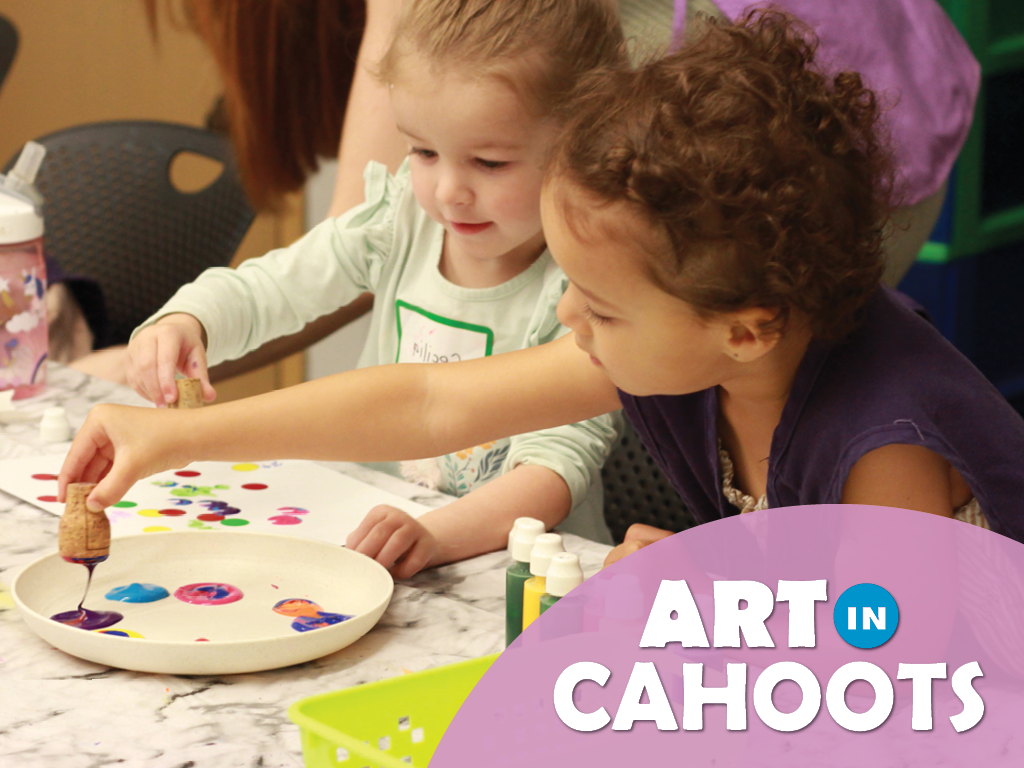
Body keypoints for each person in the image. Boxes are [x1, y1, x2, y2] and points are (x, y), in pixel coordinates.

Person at [59, 11, 1024, 573]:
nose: (567, 314)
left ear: (746, 330)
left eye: (598, 307)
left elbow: (884, 677)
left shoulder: (885, 452)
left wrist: (711, 586)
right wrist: (174, 436)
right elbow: (432, 401)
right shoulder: (700, 342)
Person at [122, 0, 630, 570]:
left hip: (518, 577)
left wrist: (435, 535)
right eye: (424, 152)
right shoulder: (397, 222)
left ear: (586, 141)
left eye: (488, 162)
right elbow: (276, 287)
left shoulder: (586, 290)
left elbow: (553, 469)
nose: (448, 192)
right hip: (387, 542)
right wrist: (190, 320)